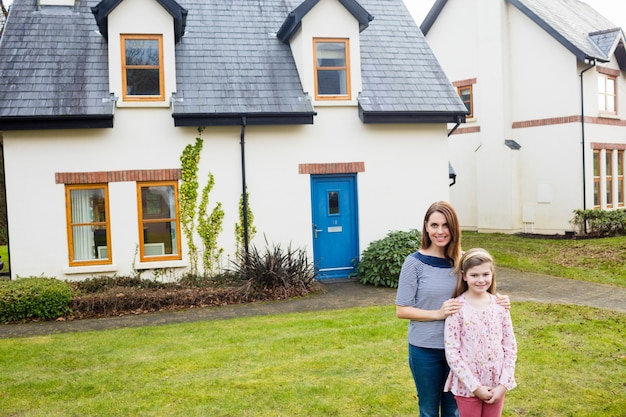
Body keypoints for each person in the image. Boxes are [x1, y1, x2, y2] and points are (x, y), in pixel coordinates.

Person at [395, 201, 509, 417]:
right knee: (428, 410)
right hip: (425, 349)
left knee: (454, 411)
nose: (440, 231)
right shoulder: (414, 263)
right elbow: (402, 310)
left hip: (462, 352)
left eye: (446, 225)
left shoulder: (462, 261)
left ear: (454, 228)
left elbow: (481, 286)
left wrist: (499, 301)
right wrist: (438, 314)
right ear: (426, 227)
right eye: (434, 225)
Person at [443, 248, 517, 417]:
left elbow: (510, 346)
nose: (481, 280)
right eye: (474, 275)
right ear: (464, 276)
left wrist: (503, 384)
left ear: (492, 275)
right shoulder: (457, 308)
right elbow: (452, 353)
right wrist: (476, 387)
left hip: (496, 382)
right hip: (468, 386)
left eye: (485, 274)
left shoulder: (500, 306)